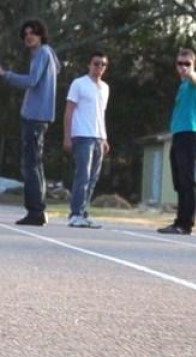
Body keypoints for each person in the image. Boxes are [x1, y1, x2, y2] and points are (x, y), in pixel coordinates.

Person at [0, 18, 61, 226]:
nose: (28, 36)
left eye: (32, 33)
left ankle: (35, 212)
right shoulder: (47, 54)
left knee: (30, 165)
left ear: (41, 35)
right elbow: (52, 73)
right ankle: (39, 210)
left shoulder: (43, 52)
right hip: (36, 116)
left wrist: (5, 75)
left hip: (35, 117)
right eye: (25, 34)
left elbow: (32, 81)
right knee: (35, 164)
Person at [157, 49, 196, 235]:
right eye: (180, 64)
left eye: (187, 64)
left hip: (190, 134)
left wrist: (191, 73)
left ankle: (187, 224)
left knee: (187, 179)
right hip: (178, 134)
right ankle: (179, 221)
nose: (183, 67)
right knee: (178, 180)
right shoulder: (182, 86)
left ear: (194, 65)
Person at [63, 51, 110, 229]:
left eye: (103, 65)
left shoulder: (105, 88)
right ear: (89, 65)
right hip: (82, 135)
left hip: (98, 136)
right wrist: (67, 136)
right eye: (96, 63)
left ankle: (83, 212)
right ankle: (75, 214)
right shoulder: (79, 84)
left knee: (93, 178)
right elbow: (69, 111)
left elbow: (101, 114)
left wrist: (104, 138)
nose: (99, 67)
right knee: (82, 175)